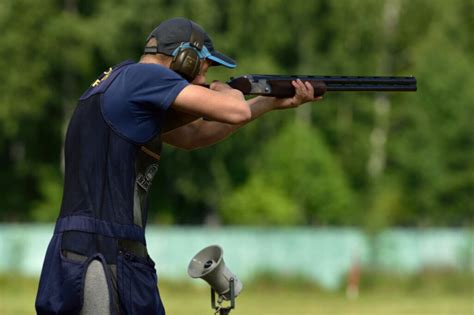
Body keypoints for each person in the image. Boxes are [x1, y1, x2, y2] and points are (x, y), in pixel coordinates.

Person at [35, 17, 321, 315]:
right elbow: (235, 110)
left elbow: (194, 135)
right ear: (186, 58)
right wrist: (227, 90)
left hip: (78, 254)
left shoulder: (118, 84)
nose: (202, 78)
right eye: (204, 66)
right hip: (105, 257)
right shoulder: (144, 77)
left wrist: (268, 103)